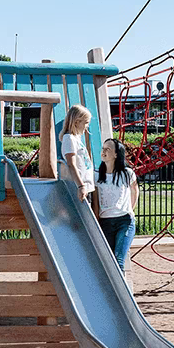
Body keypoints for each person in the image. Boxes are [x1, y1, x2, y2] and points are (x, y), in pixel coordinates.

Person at [95, 138, 138, 271]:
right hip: (105, 221)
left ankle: (120, 292)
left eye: (108, 149)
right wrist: (97, 219)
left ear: (116, 154)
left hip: (124, 221)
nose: (104, 151)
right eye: (103, 148)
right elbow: (96, 200)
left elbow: (135, 190)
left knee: (119, 260)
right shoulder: (96, 175)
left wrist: (131, 209)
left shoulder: (126, 173)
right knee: (108, 261)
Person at [59, 104, 96, 206]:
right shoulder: (69, 139)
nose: (87, 126)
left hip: (85, 186)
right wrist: (81, 186)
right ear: (77, 122)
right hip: (80, 187)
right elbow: (71, 164)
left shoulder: (75, 139)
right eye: (86, 123)